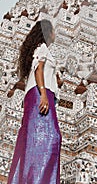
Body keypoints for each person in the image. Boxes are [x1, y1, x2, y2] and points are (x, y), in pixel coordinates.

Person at [7, 19, 62, 184]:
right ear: (47, 32)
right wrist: (44, 94)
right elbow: (39, 69)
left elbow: (41, 71)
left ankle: (31, 178)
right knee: (52, 137)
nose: (54, 34)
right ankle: (37, 179)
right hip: (40, 95)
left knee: (34, 139)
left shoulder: (40, 49)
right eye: (52, 30)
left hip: (37, 94)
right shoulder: (43, 47)